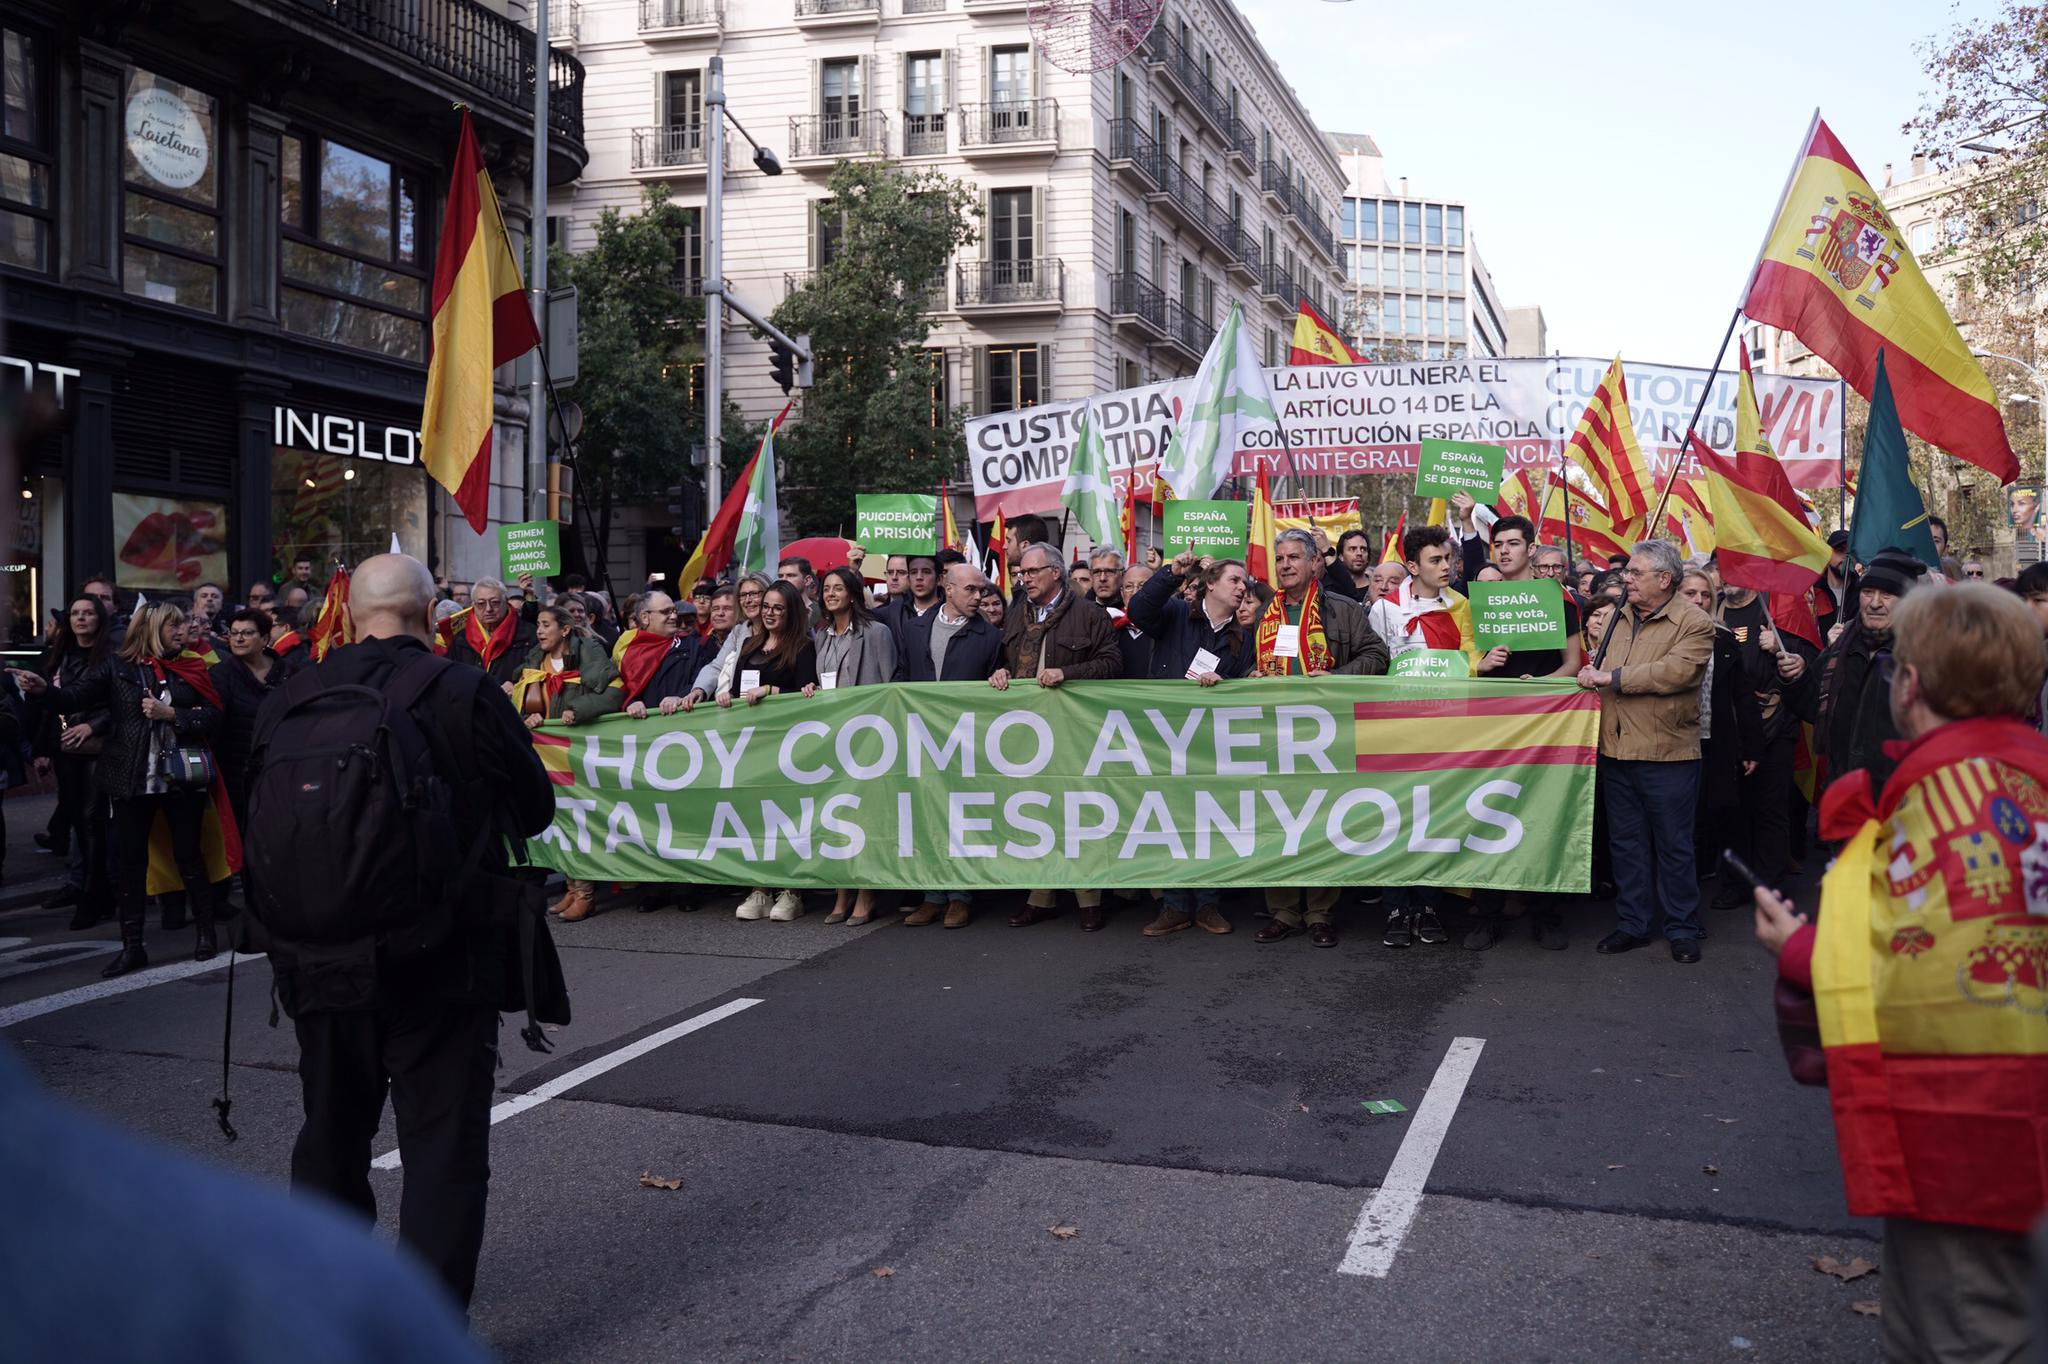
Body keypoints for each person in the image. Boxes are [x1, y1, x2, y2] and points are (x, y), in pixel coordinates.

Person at [247, 553, 555, 1314]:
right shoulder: (461, 689)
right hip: (440, 956)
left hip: (314, 955)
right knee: (441, 1147)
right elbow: (535, 806)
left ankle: (327, 1310)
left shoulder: (291, 695)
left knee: (331, 1136)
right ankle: (420, 1330)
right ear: (432, 613)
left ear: (348, 614)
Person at [1754, 584, 2048, 1363]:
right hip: (2002, 1125)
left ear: (1911, 685)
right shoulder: (2020, 775)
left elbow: (1934, 969)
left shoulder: (1953, 799)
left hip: (1974, 1133)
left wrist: (1798, 948)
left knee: (1966, 1333)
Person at [0, 1046, 492, 1364]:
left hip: (322, 963)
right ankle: (436, 1311)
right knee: (439, 1148)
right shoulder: (265, 1281)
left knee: (332, 1132)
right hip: (435, 971)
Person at [14, 602, 227, 972]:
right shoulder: (118, 666)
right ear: (151, 629)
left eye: (181, 625)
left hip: (180, 779)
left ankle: (206, 934)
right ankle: (132, 946)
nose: (181, 631)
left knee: (190, 858)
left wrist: (173, 715)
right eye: (172, 626)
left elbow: (214, 716)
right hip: (131, 779)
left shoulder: (192, 666)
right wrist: (43, 690)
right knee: (131, 864)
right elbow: (74, 697)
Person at [1575, 540, 1713, 963]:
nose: (1626, 579)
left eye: (1635, 573)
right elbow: (1597, 666)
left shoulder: (1694, 622)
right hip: (1616, 751)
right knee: (1627, 844)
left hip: (1667, 754)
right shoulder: (1618, 616)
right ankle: (1633, 924)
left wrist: (1610, 677)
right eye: (1627, 573)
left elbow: (1677, 673)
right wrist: (1588, 674)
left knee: (1673, 845)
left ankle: (1682, 928)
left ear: (1664, 579)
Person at [1252, 529, 1387, 948]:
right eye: (1280, 558)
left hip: (1327, 734)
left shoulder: (1342, 609)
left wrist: (1336, 679)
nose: (1286, 565)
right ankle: (1284, 911)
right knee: (1279, 822)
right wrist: (1250, 677)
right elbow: (1246, 664)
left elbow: (1378, 657)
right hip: (1275, 734)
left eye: (1294, 557)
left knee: (1323, 822)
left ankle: (1320, 913)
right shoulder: (1263, 613)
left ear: (1315, 563)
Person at [996, 542, 1125, 931]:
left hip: (1074, 732)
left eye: (1032, 572)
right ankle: (1041, 896)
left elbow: (1112, 664)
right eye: (1021, 573)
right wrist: (1001, 673)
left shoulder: (1089, 614)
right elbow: (1006, 659)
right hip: (1028, 735)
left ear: (1056, 572)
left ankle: (1089, 898)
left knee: (1080, 812)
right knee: (1035, 812)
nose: (1025, 579)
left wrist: (1067, 674)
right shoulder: (1016, 613)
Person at [1127, 552, 1254, 937]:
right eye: (1234, 580)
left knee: (1212, 821)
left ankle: (1210, 903)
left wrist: (1228, 685)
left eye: (1245, 583)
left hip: (1213, 743)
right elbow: (1138, 611)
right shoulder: (1177, 615)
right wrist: (1171, 573)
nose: (1242, 588)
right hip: (1167, 738)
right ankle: (1175, 904)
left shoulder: (1243, 637)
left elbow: (1247, 683)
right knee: (1172, 821)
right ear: (1211, 583)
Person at [1784, 548, 1926, 796]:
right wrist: (1796, 676)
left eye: (1887, 595)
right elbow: (1811, 706)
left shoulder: (1926, 651)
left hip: (1900, 797)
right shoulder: (1844, 643)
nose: (1874, 603)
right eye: (1868, 592)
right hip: (1841, 788)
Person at [513, 603, 621, 923]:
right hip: (550, 752)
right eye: (538, 626)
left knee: (581, 821)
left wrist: (580, 709)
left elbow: (614, 692)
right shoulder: (536, 659)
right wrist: (529, 714)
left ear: (565, 630)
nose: (539, 631)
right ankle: (572, 887)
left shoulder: (590, 652)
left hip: (581, 749)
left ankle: (586, 893)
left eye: (546, 625)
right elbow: (523, 697)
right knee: (560, 821)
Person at [721, 582, 819, 922]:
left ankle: (790, 890)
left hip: (786, 747)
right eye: (766, 606)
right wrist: (726, 696)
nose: (769, 613)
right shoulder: (749, 645)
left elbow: (806, 692)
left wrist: (771, 689)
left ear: (790, 611)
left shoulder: (803, 647)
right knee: (755, 818)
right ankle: (759, 886)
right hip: (750, 746)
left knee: (787, 818)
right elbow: (736, 690)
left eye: (778, 608)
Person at [808, 566, 899, 926]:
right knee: (838, 814)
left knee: (866, 816)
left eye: (838, 588)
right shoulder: (821, 635)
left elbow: (890, 686)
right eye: (826, 589)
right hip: (833, 737)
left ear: (852, 593)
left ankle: (866, 891)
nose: (831, 594)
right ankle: (842, 889)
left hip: (868, 737)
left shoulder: (877, 633)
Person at [1676, 570, 1764, 896]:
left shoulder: (1724, 638)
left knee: (1724, 812)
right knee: (1685, 819)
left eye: (1705, 594)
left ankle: (1730, 885)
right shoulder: (1659, 638)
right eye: (1690, 593)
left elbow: (1743, 696)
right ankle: (1687, 886)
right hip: (1675, 743)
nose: (1698, 600)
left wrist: (1752, 747)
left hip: (1718, 740)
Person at [36, 594, 114, 927]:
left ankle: (94, 896)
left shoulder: (111, 655)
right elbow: (48, 707)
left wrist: (92, 725)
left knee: (94, 822)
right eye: (76, 614)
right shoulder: (57, 655)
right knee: (79, 823)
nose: (81, 619)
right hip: (65, 747)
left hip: (99, 745)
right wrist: (40, 748)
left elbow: (121, 702)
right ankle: (93, 891)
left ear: (100, 619)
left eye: (88, 614)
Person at [210, 608, 294, 836]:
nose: (238, 638)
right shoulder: (221, 673)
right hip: (235, 772)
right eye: (234, 633)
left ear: (265, 639)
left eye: (247, 633)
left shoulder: (289, 672)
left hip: (280, 768)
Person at [440, 576, 534, 688]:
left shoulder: (528, 634)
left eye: (495, 602)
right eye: (481, 603)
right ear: (473, 605)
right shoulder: (460, 639)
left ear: (505, 602)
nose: (488, 609)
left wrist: (518, 687)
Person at [877, 553, 941, 658]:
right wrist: (853, 571)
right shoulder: (893, 612)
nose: (919, 577)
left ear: (939, 579)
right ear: (909, 578)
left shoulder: (950, 612)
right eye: (914, 572)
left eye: (926, 572)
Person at [1320, 529, 1374, 603]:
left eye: (1363, 549)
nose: (1359, 553)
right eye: (1353, 549)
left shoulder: (1377, 588)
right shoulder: (1328, 589)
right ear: (1341, 556)